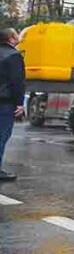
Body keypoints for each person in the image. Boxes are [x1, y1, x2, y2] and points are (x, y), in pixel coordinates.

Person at [0, 28, 25, 181]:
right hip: (4, 102)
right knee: (1, 136)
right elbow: (16, 82)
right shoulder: (14, 55)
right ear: (11, 38)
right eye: (16, 33)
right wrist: (19, 103)